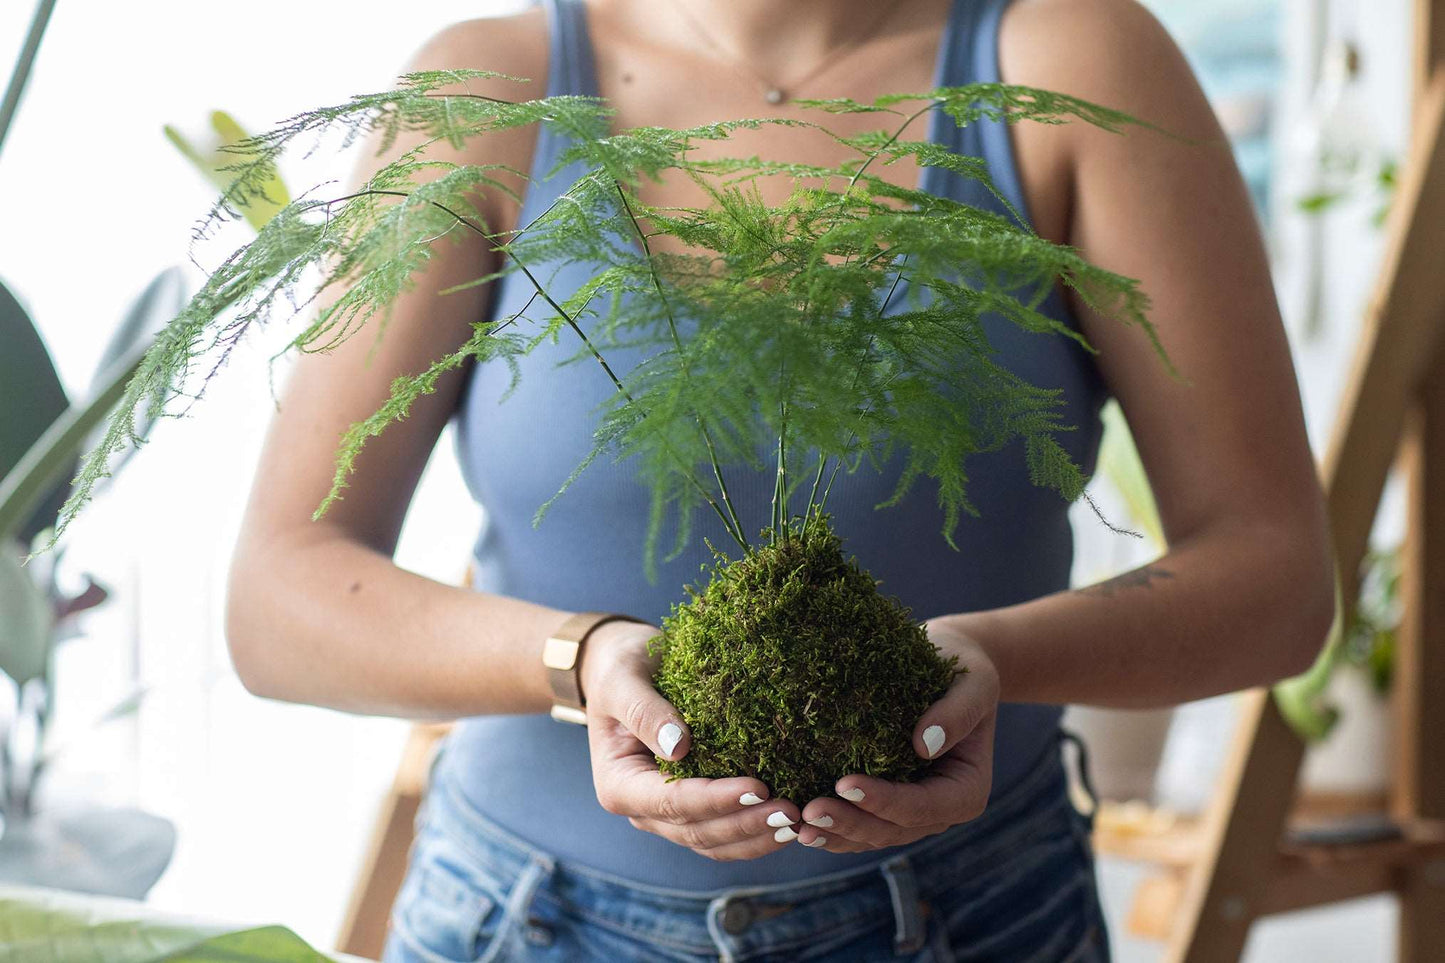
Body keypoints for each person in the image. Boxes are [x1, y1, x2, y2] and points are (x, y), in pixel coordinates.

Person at [225, 0, 1335, 959]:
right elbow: (280, 598)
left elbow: (1271, 576)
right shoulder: (484, 95)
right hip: (526, 921)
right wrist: (578, 659)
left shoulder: (1070, 68)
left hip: (968, 917)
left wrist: (993, 657)